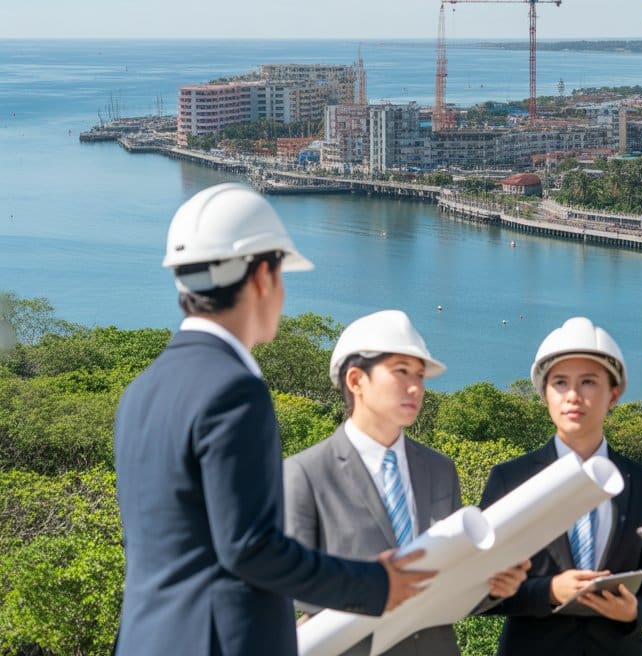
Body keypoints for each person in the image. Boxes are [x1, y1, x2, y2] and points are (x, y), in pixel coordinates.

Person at [113, 184, 433, 656]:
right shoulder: (233, 389)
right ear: (262, 276)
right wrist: (375, 582)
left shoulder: (141, 391)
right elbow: (248, 546)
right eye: (282, 274)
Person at [284, 309, 529, 655]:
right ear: (356, 381)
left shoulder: (440, 469)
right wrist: (373, 585)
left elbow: (451, 584)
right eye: (401, 372)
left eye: (420, 375)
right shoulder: (305, 474)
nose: (416, 387)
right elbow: (293, 587)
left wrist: (491, 586)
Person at [479, 317, 642, 655]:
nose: (573, 395)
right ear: (544, 395)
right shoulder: (511, 479)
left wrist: (636, 611)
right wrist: (549, 591)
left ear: (613, 394)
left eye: (588, 382)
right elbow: (479, 590)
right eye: (559, 383)